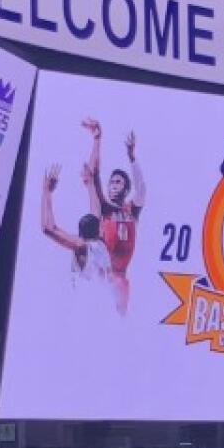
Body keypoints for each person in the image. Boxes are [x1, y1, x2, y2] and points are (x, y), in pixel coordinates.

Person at [79, 119, 145, 312]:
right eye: (111, 182)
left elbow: (141, 189)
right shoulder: (105, 209)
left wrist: (132, 158)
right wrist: (97, 139)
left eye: (118, 182)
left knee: (120, 324)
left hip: (121, 278)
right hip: (102, 276)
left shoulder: (131, 210)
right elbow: (93, 174)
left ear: (126, 188)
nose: (113, 185)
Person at [40, 164, 120, 311]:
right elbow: (96, 211)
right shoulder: (99, 244)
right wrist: (89, 184)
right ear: (98, 229)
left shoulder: (81, 246)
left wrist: (46, 192)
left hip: (85, 308)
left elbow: (48, 228)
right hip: (104, 306)